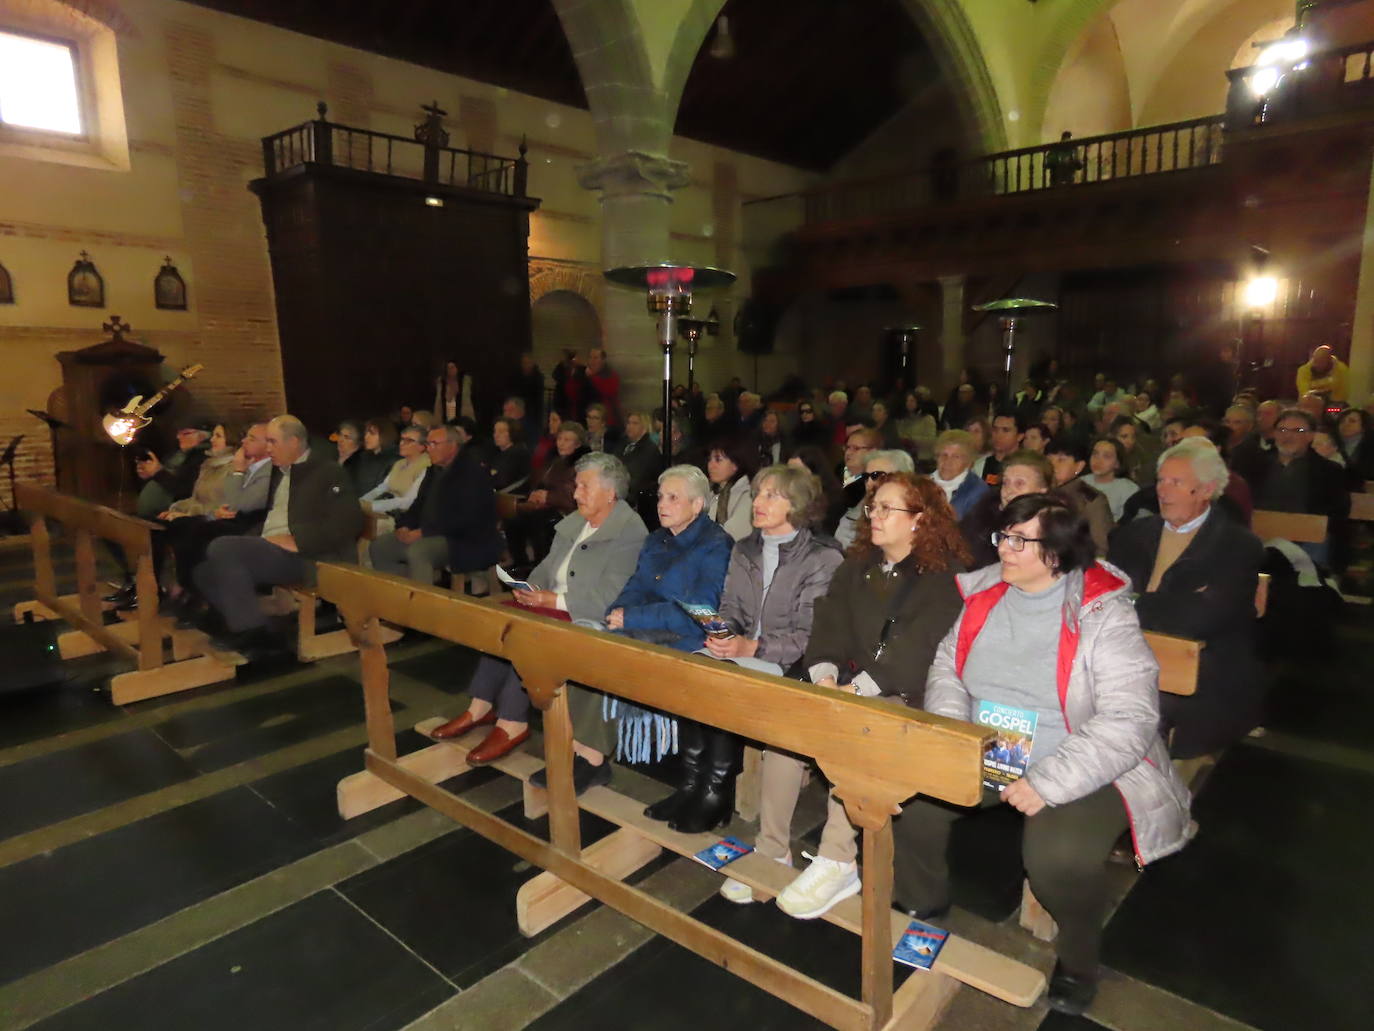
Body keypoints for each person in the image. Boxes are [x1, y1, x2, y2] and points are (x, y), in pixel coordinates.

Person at [895, 494, 1192, 1015]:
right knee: (914, 799)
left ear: (1056, 553)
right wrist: (958, 736)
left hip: (1085, 761)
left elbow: (1131, 720)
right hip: (997, 747)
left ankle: (1079, 960)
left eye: (1018, 540)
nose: (1003, 549)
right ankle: (925, 900)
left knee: (1057, 857)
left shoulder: (1104, 614)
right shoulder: (985, 593)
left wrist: (1049, 781)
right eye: (1003, 536)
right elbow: (948, 666)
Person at [729, 473, 968, 917]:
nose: (872, 515)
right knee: (786, 726)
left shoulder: (945, 578)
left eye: (886, 509)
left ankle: (838, 860)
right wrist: (823, 678)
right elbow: (828, 627)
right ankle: (771, 850)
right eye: (872, 507)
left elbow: (917, 653)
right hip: (843, 683)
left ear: (920, 519)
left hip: (905, 695)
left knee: (856, 730)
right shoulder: (857, 566)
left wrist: (853, 691)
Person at [430, 454, 649, 770]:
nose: (575, 494)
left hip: (584, 615)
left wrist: (554, 601)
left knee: (527, 634)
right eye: (576, 486)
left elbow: (610, 596)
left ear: (611, 492)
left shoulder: (630, 533)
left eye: (584, 487)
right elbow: (547, 567)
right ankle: (479, 706)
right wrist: (529, 589)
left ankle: (512, 721)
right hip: (550, 604)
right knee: (499, 619)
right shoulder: (575, 522)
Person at [694, 465, 844, 836]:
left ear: (796, 505)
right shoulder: (745, 548)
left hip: (793, 663)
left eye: (770, 495)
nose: (757, 502)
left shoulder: (822, 558)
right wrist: (723, 634)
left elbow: (810, 637)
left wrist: (751, 647)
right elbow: (730, 606)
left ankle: (717, 792)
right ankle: (696, 784)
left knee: (725, 683)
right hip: (745, 651)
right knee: (691, 672)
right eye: (758, 493)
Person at [1108, 439, 1265, 757]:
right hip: (1123, 654)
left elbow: (1200, 619)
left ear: (1207, 490)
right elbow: (1103, 598)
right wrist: (1170, 602)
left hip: (1200, 672)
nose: (1162, 491)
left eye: (1176, 482)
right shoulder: (1132, 535)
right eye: (1160, 481)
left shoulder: (1237, 545)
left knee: (1139, 711)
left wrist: (1136, 602)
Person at [193, 415, 364, 660]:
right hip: (273, 549)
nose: (268, 448)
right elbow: (272, 517)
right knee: (205, 571)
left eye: (273, 441)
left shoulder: (327, 471)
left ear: (293, 441)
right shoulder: (281, 472)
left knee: (222, 547)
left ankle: (254, 633)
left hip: (308, 556)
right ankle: (251, 628)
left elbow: (349, 522)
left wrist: (298, 539)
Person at [369, 424, 502, 586]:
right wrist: (404, 526)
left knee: (419, 551)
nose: (429, 449)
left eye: (434, 444)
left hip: (464, 540)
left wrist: (423, 533)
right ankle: (399, 596)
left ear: (452, 446)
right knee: (380, 547)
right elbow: (418, 506)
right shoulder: (433, 471)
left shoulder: (472, 473)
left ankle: (422, 606)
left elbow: (466, 518)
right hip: (430, 532)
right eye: (427, 444)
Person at [1250, 408, 1351, 568]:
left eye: (1298, 430)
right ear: (1274, 434)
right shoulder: (1254, 464)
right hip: (1259, 534)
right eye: (1282, 430)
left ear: (1310, 436)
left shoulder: (1329, 471)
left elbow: (1338, 513)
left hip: (1307, 540)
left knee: (1320, 542)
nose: (1287, 436)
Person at [505, 421, 591, 564]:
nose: (561, 443)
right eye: (559, 439)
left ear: (577, 444)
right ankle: (521, 564)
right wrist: (534, 493)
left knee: (539, 521)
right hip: (546, 507)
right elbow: (539, 482)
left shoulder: (582, 465)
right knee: (513, 520)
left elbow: (573, 495)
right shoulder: (555, 461)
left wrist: (548, 497)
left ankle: (542, 566)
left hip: (567, 512)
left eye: (567, 440)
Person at [963, 449, 1056, 567]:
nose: (1008, 490)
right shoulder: (979, 521)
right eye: (1005, 483)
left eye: (1019, 483)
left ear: (1042, 491)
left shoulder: (1055, 530)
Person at [1045, 437, 1113, 556]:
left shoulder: (1090, 499)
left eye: (1061, 460)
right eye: (1049, 459)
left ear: (1079, 467)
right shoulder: (1037, 490)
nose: (1053, 465)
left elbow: (1100, 548)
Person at [360, 425, 431, 534]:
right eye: (402, 439)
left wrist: (372, 506)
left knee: (372, 524)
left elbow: (409, 502)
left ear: (422, 447)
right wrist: (362, 502)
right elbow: (382, 488)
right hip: (386, 508)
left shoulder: (426, 465)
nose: (402, 443)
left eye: (410, 440)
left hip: (405, 517)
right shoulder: (399, 463)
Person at [707, 435, 759, 542]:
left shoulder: (748, 494)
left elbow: (732, 535)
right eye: (710, 459)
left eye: (718, 460)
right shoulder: (714, 491)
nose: (711, 465)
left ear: (736, 464)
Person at [786, 445, 848, 535]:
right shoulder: (787, 494)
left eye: (797, 472)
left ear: (815, 473)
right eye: (788, 471)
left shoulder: (833, 501)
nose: (790, 476)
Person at [931, 430, 991, 520]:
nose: (948, 461)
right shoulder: (923, 484)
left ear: (968, 462)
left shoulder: (978, 491)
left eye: (956, 457)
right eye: (944, 455)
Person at [614, 410, 661, 509]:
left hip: (635, 500)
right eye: (628, 423)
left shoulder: (649, 449)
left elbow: (638, 478)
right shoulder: (622, 444)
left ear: (645, 426)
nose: (629, 426)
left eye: (635, 423)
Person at [1087, 437, 1139, 522]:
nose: (1098, 460)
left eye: (1106, 456)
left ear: (1117, 463)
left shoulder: (1129, 489)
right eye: (1095, 454)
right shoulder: (1079, 483)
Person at [488, 417, 531, 493]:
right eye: (495, 431)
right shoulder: (498, 454)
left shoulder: (519, 453)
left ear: (512, 433)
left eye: (501, 431)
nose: (496, 435)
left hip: (512, 498)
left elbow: (502, 481)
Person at [981, 413, 1024, 486]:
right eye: (995, 429)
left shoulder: (1026, 466)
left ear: (1020, 436)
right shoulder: (980, 464)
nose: (998, 435)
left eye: (1006, 430)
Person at [895, 390, 938, 462]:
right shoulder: (901, 419)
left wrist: (911, 440)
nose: (909, 403)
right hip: (904, 456)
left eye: (912, 401)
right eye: (907, 401)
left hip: (923, 456)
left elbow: (931, 440)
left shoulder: (928, 419)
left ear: (918, 402)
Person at [1336, 407, 1374, 485]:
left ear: (1364, 425)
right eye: (1342, 421)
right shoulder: (1331, 443)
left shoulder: (1371, 446)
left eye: (1352, 421)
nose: (1345, 424)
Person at [585, 347, 622, 426]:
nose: (592, 360)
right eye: (590, 357)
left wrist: (592, 377)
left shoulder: (610, 375)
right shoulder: (584, 374)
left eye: (595, 358)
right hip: (588, 418)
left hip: (606, 420)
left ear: (603, 360)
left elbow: (608, 391)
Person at [433, 359, 475, 424]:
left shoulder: (465, 382)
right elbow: (438, 405)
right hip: (446, 421)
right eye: (448, 368)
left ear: (457, 368)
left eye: (452, 367)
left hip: (462, 421)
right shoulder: (441, 383)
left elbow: (466, 402)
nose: (450, 370)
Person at [530, 409, 562, 477]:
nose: (550, 423)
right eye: (549, 420)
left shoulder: (562, 446)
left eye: (554, 420)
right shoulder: (545, 440)